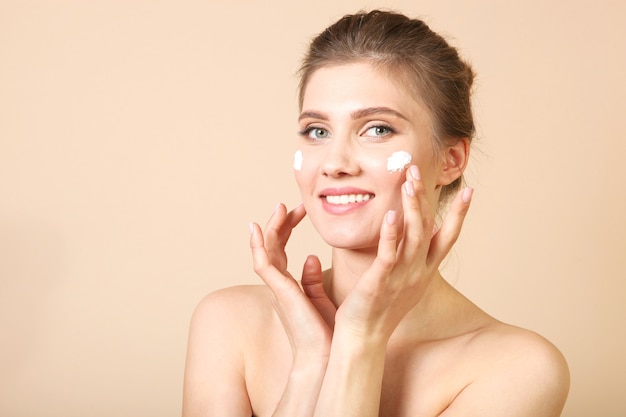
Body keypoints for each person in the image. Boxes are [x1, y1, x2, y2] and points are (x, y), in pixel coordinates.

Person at [182, 10, 570, 417]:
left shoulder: (518, 369)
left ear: (451, 160)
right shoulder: (229, 324)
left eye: (378, 129)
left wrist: (359, 341)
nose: (335, 163)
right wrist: (310, 366)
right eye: (317, 131)